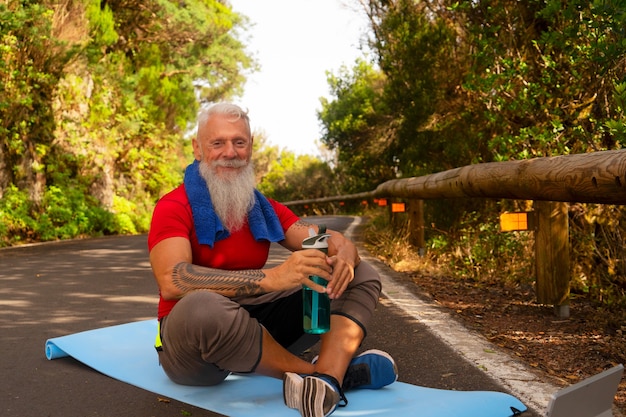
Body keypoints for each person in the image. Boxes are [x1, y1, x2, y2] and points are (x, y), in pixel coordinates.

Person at [147, 102, 397, 417]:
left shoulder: (261, 207)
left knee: (359, 273)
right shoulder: (173, 206)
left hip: (254, 328)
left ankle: (327, 382)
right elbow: (173, 280)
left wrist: (345, 250)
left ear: (250, 148)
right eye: (218, 143)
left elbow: (319, 239)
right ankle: (317, 373)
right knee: (203, 305)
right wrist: (273, 278)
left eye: (239, 142)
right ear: (198, 149)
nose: (230, 152)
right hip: (194, 349)